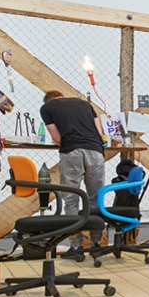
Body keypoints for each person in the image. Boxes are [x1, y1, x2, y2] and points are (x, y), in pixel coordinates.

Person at [39, 90, 105, 258]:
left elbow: (57, 138)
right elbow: (99, 132)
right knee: (95, 197)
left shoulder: (47, 108)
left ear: (49, 101)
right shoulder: (85, 104)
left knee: (71, 198)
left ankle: (76, 247)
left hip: (72, 151)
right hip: (96, 152)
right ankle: (96, 245)